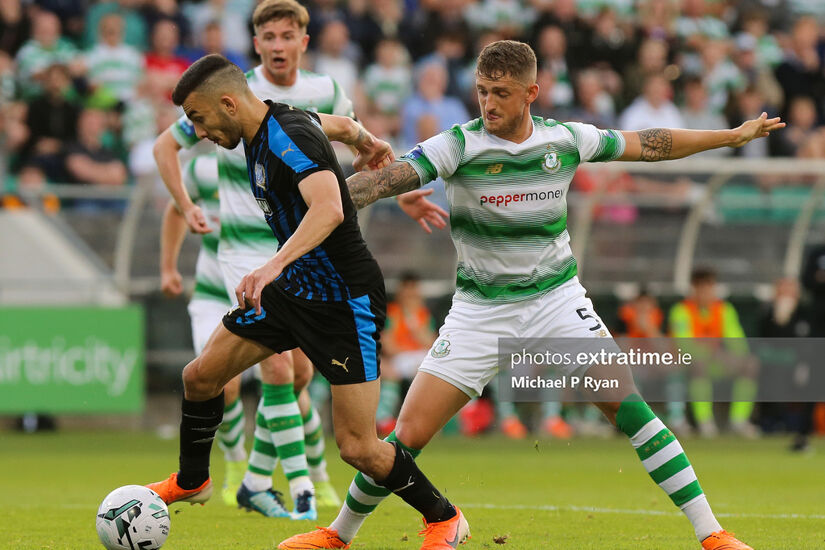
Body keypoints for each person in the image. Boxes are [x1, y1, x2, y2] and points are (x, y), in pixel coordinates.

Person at [282, 40, 784, 550]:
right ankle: (338, 535)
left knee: (628, 408)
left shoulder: (566, 139)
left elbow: (649, 142)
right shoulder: (457, 145)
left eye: (500, 93)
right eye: (481, 91)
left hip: (556, 302)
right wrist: (329, 199)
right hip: (479, 311)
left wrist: (729, 136)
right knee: (405, 435)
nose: (488, 103)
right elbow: (384, 180)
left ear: (531, 93)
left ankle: (712, 534)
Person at [146, 54, 469, 550]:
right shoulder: (270, 123)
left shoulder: (285, 137)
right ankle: (194, 481)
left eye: (199, 117)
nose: (198, 129)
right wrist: (367, 140)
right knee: (200, 377)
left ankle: (445, 519)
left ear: (229, 104)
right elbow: (334, 123)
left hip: (343, 299)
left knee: (358, 447)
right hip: (293, 290)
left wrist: (272, 264)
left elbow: (330, 207)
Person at [151, 0, 372, 516]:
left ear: (303, 41)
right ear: (255, 44)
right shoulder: (229, 94)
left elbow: (338, 139)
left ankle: (262, 479)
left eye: (285, 35)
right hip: (245, 255)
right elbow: (168, 145)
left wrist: (377, 150)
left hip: (304, 251)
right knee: (236, 376)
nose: (276, 45)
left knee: (298, 382)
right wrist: (185, 206)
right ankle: (289, 487)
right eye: (267, 37)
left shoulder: (313, 98)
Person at [669, 268, 758, 438]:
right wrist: (709, 353)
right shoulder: (681, 310)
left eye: (708, 287)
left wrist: (732, 357)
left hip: (717, 363)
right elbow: (683, 345)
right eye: (700, 287)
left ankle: (738, 421)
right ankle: (705, 422)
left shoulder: (724, 309)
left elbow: (737, 341)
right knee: (698, 364)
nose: (705, 292)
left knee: (750, 364)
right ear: (693, 288)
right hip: (689, 363)